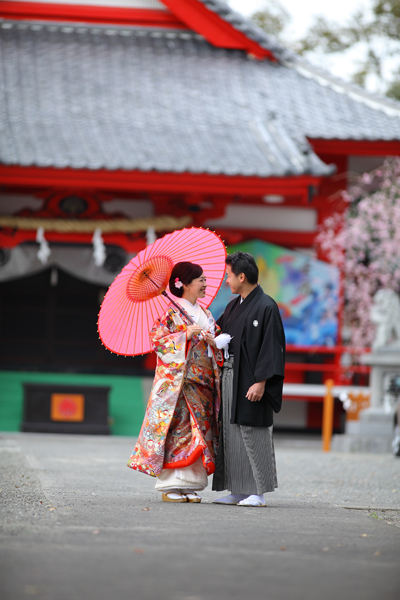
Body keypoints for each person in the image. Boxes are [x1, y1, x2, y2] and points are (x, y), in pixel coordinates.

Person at [127, 261, 225, 503]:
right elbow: (158, 342)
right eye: (200, 279)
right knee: (178, 432)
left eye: (204, 279)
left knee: (200, 433)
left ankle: (189, 485)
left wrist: (214, 341)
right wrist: (184, 335)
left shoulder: (206, 314)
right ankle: (171, 485)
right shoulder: (171, 314)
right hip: (180, 385)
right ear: (184, 284)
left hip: (203, 385)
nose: (205, 283)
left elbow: (214, 342)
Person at [212, 251, 286, 507]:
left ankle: (259, 492)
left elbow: (271, 347)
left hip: (253, 380)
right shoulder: (233, 306)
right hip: (231, 376)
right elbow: (216, 332)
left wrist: (262, 382)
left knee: (254, 432)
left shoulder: (266, 306)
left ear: (242, 276)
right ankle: (239, 489)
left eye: (228, 276)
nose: (226, 281)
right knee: (231, 433)